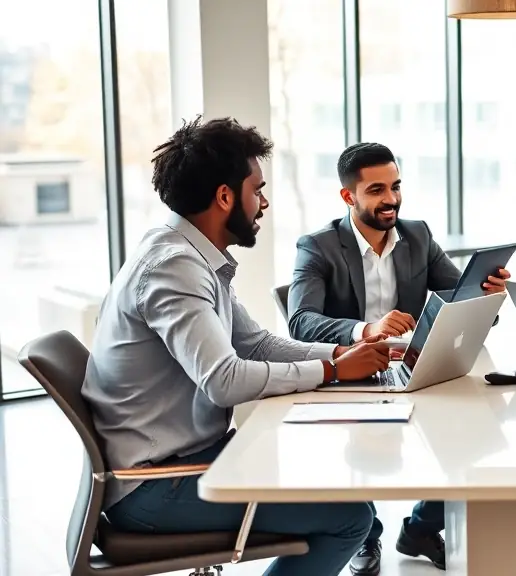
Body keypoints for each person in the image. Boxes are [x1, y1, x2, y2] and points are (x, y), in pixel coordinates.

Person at [81, 117, 393, 576]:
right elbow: (224, 381)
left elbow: (255, 343)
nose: (263, 203)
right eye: (257, 190)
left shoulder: (189, 255)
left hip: (187, 459)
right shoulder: (174, 269)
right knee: (351, 518)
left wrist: (340, 357)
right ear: (225, 196)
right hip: (154, 488)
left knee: (331, 472)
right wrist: (331, 373)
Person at [287, 142, 509, 575]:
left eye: (395, 186)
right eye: (376, 190)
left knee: (481, 426)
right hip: (348, 368)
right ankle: (364, 536)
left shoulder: (418, 236)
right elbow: (300, 321)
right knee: (359, 441)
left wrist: (488, 297)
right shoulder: (317, 246)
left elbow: (457, 298)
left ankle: (421, 528)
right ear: (348, 197)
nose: (390, 199)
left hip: (413, 363)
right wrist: (364, 330)